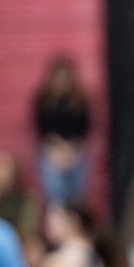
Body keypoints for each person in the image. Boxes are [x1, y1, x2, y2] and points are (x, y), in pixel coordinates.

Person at [32, 55, 91, 206]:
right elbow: (42, 130)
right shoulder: (43, 100)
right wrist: (58, 147)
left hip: (74, 150)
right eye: (58, 77)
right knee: (56, 195)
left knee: (76, 196)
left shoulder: (80, 100)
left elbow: (84, 129)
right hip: (51, 149)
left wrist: (70, 149)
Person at [0, 151, 42, 261]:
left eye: (5, 170)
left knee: (34, 248)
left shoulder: (27, 198)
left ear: (14, 173)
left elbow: (28, 229)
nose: (0, 175)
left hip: (18, 241)